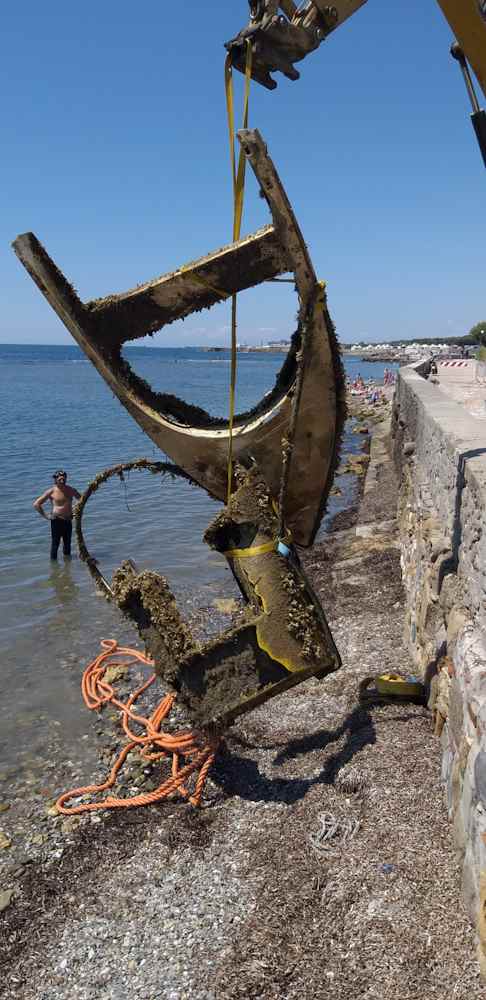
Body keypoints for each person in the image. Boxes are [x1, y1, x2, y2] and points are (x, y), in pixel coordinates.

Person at [33, 470, 81, 560]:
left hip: (68, 520)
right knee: (55, 545)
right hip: (56, 521)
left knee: (67, 544)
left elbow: (82, 500)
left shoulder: (71, 490)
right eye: (60, 479)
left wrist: (76, 510)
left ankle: (67, 565)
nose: (62, 481)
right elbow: (36, 504)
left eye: (64, 479)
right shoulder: (51, 491)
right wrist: (46, 516)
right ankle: (54, 566)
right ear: (55, 480)